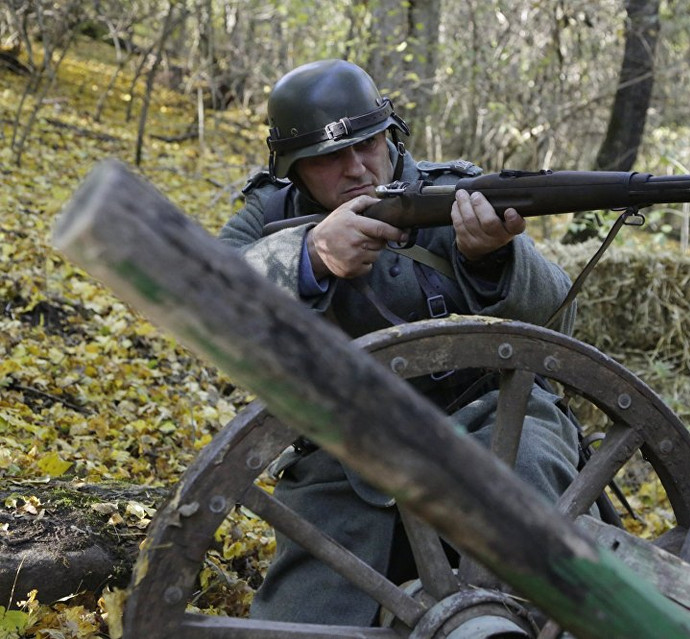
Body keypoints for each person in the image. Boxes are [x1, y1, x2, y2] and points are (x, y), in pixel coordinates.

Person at [219, 59, 582, 627]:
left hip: (492, 426)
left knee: (531, 487)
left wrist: (493, 260)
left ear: (391, 134)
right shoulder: (268, 216)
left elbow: (561, 324)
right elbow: (210, 296)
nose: (357, 168)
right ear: (293, 169)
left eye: (369, 144)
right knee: (303, 619)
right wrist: (309, 257)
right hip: (348, 456)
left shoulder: (456, 195)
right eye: (329, 158)